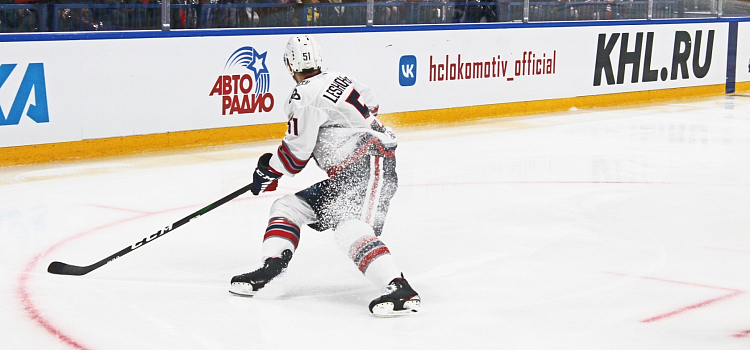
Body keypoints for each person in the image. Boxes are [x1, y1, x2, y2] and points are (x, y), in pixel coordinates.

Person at [229, 35, 421, 317]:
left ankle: (399, 288)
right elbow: (371, 103)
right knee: (287, 207)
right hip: (354, 170)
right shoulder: (340, 77)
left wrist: (267, 169)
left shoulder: (303, 96)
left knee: (350, 228)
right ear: (318, 59)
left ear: (287, 64)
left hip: (369, 167)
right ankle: (271, 271)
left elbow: (295, 158)